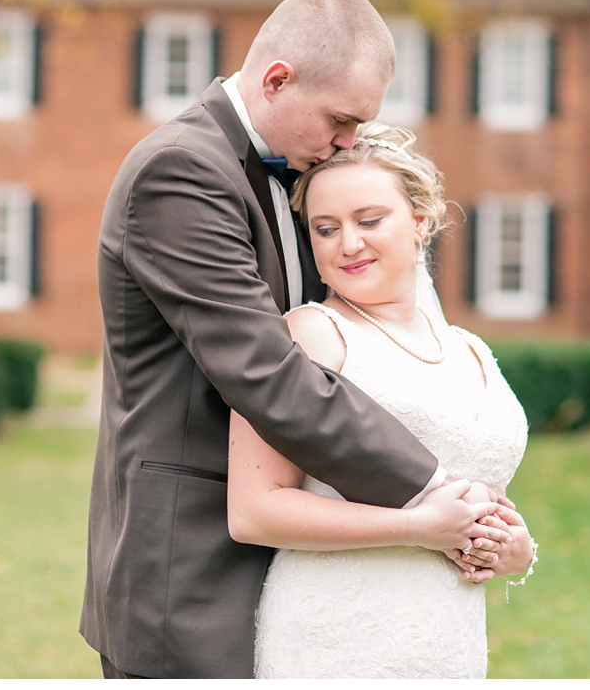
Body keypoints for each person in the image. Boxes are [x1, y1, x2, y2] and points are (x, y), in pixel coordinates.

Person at [82, 0, 512, 679]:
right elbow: (268, 373)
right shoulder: (182, 171)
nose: (349, 142)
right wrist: (432, 485)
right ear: (277, 79)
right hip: (190, 570)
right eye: (341, 119)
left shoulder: (295, 171)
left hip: (305, 578)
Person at [227, 124, 537, 678]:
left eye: (369, 221)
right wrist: (418, 528)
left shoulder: (472, 351)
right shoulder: (309, 336)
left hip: (449, 639)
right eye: (325, 229)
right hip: (336, 635)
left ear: (420, 222)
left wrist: (516, 551)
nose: (348, 243)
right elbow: (254, 511)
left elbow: (482, 501)